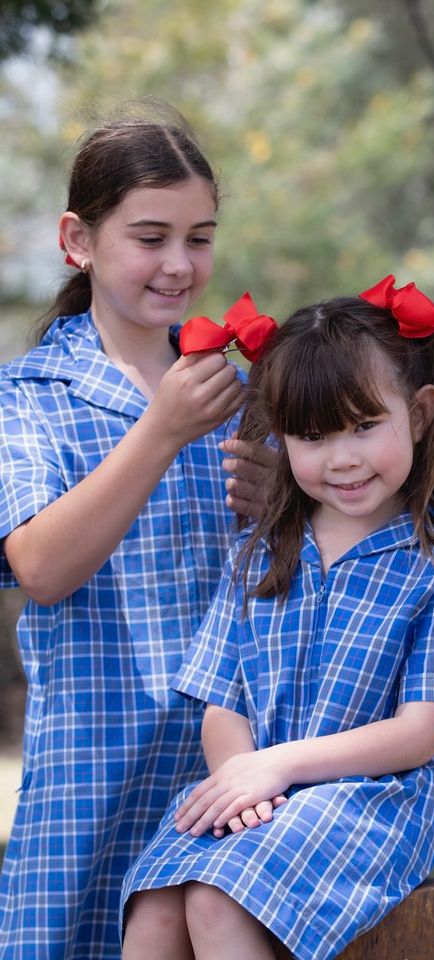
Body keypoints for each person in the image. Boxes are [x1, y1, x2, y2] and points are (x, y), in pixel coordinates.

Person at [120, 275, 434, 960]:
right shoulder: (258, 555)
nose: (343, 457)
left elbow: (417, 735)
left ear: (417, 415)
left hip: (375, 802)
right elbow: (221, 702)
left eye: (364, 426)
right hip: (266, 794)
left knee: (214, 897)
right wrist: (244, 784)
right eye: (313, 436)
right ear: (284, 438)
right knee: (154, 907)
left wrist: (277, 768)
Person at [0, 111, 275, 958]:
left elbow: (288, 583)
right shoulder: (32, 394)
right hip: (92, 771)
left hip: (223, 772)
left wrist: (275, 507)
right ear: (77, 240)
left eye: (200, 237)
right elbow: (40, 567)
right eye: (150, 236)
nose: (180, 265)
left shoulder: (238, 392)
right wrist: (159, 432)